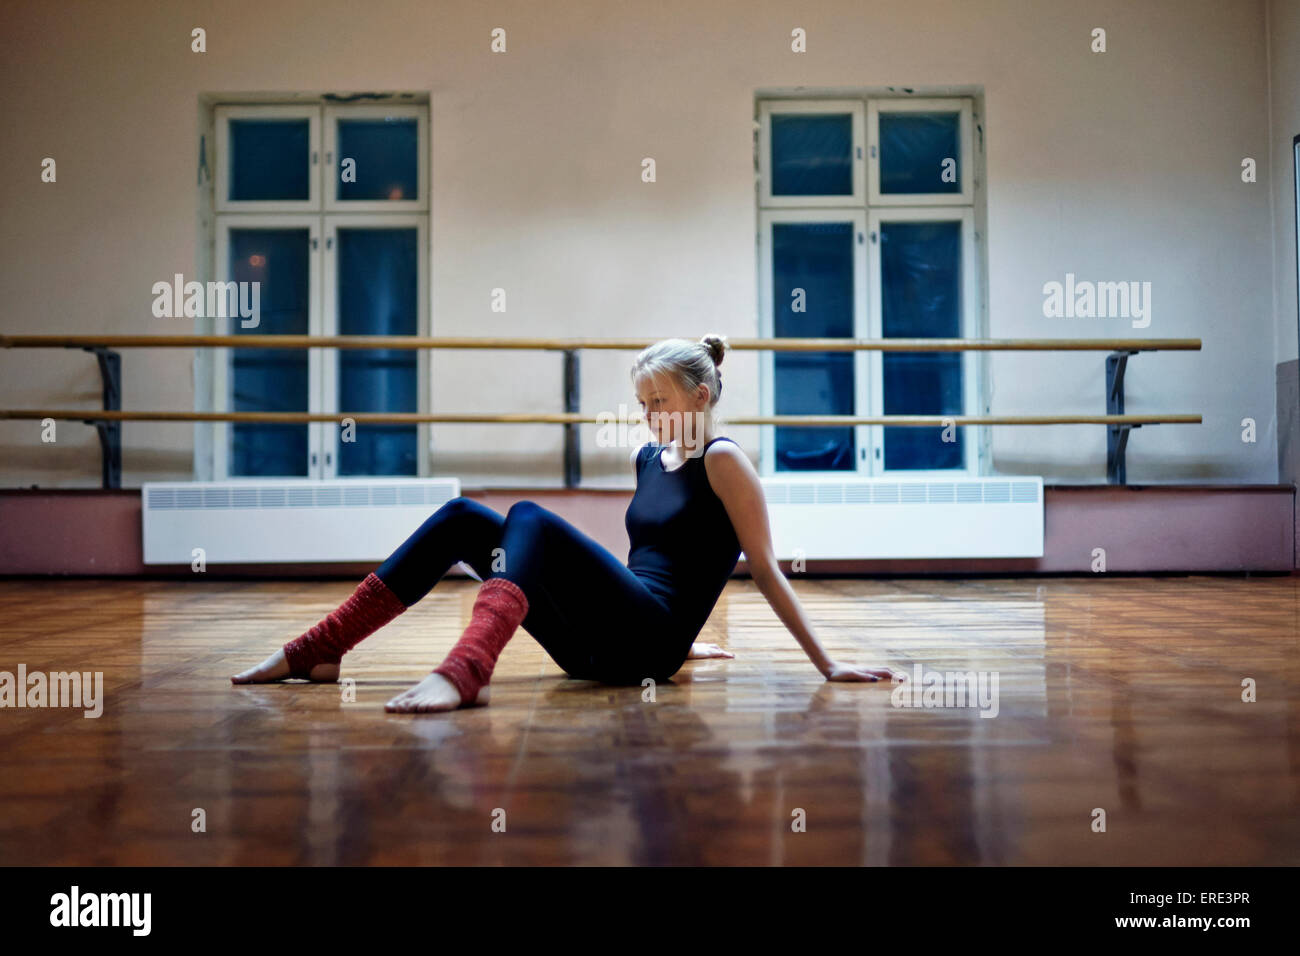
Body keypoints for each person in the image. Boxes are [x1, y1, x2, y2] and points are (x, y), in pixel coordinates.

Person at [232, 334, 902, 711]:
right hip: (595, 649)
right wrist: (686, 633)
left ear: (701, 397)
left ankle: (467, 669)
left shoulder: (724, 461)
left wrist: (828, 663)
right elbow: (652, 563)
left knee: (529, 515)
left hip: (647, 650)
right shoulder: (650, 456)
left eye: (660, 400)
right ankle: (323, 646)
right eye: (641, 402)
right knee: (468, 516)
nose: (647, 415)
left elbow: (762, 568)